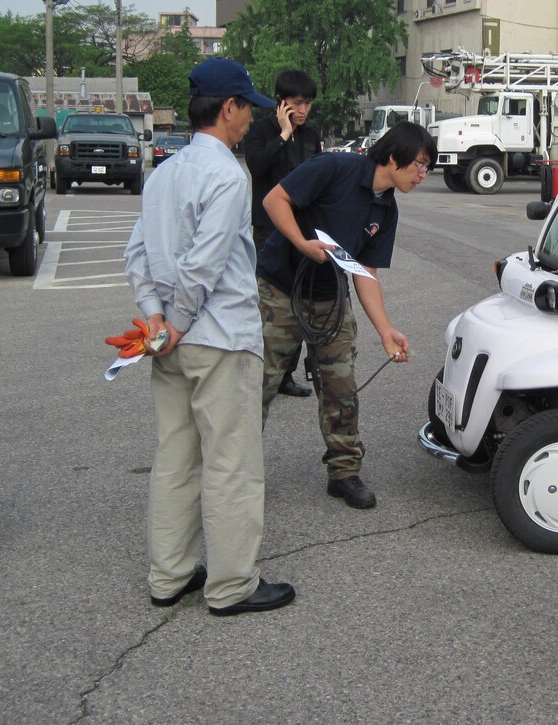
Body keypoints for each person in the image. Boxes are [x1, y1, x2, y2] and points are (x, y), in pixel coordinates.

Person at [124, 58, 294, 617]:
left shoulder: (165, 172)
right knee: (231, 462)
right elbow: (206, 262)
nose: (250, 121)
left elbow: (136, 254)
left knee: (176, 456)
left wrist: (155, 320)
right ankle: (230, 585)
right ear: (228, 109)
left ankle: (168, 576)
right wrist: (176, 318)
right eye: (247, 109)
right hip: (217, 337)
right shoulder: (226, 175)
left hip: (169, 341)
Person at [257, 120, 436, 509]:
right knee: (260, 383)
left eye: (427, 167)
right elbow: (275, 200)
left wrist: (385, 330)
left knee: (341, 387)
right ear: (393, 156)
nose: (423, 174)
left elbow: (365, 272)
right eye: (419, 165)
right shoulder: (334, 167)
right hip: (281, 289)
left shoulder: (386, 209)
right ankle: (236, 470)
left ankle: (344, 472)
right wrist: (302, 244)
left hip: (330, 297)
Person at [243, 69, 322, 398]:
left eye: (308, 104)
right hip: (267, 229)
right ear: (281, 102)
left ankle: (287, 373)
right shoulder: (260, 130)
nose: (302, 110)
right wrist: (285, 133)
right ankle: (261, 372)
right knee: (269, 304)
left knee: (300, 298)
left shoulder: (313, 134)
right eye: (296, 103)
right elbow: (257, 167)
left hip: (302, 231)